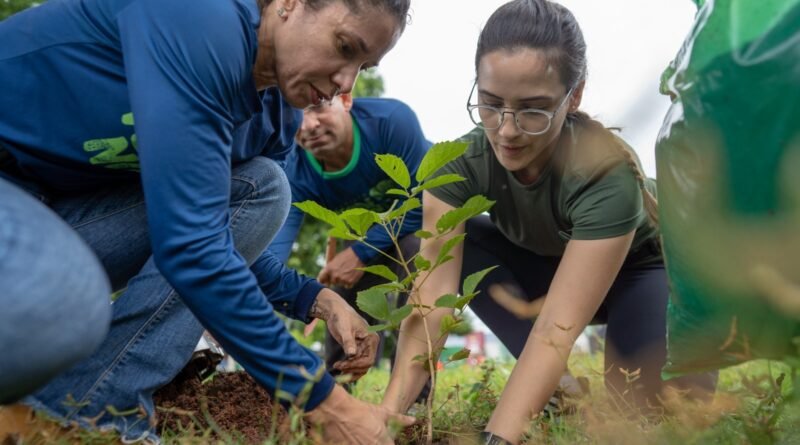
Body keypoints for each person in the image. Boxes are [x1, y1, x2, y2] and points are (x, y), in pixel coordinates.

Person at [0, 0, 414, 443]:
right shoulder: (200, 17)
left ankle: (90, 406)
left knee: (263, 187)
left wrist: (317, 299)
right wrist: (325, 402)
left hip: (52, 216)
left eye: (363, 66)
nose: (346, 82)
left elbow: (216, 238)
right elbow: (193, 247)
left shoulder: (275, 120)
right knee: (70, 303)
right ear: (289, 4)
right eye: (345, 47)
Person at [380, 1, 718, 443]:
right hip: (550, 265)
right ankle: (560, 389)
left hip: (644, 270)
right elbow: (431, 306)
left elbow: (555, 327)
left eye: (533, 109)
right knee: (446, 244)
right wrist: (385, 419)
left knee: (646, 413)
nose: (507, 130)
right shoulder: (457, 165)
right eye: (491, 104)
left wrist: (497, 438)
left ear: (574, 96)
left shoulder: (606, 175)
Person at [268, 93, 431, 375]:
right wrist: (308, 298)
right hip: (360, 234)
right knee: (342, 294)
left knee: (416, 249)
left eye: (317, 107)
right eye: (294, 114)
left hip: (419, 224)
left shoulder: (391, 122)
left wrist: (360, 253)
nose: (307, 125)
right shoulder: (293, 171)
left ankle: (412, 390)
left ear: (345, 99)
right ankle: (339, 384)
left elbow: (425, 200)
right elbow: (271, 256)